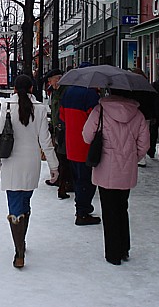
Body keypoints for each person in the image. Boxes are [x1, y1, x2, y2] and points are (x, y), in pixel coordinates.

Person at [0, 75, 59, 269]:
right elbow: (46, 141)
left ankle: (19, 250)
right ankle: (22, 242)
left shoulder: (7, 107)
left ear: (14, 89)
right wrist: (54, 166)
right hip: (31, 162)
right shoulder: (39, 109)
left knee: (14, 203)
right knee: (25, 201)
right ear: (32, 88)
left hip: (11, 161)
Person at [83, 89, 150, 265]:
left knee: (108, 209)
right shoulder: (138, 114)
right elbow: (144, 144)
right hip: (126, 169)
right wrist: (132, 157)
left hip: (105, 167)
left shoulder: (100, 110)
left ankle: (112, 253)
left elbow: (87, 136)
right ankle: (123, 248)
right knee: (122, 207)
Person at [60, 73, 102, 223]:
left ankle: (82, 208)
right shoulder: (91, 95)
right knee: (87, 181)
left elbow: (62, 116)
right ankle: (82, 212)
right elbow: (96, 120)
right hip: (86, 145)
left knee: (78, 179)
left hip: (71, 143)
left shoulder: (68, 92)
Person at [46, 68, 73, 200]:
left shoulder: (65, 91)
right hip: (58, 128)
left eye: (51, 79)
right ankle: (60, 179)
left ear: (57, 79)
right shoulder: (55, 92)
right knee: (59, 155)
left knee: (64, 157)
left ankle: (65, 182)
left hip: (65, 128)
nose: (49, 82)